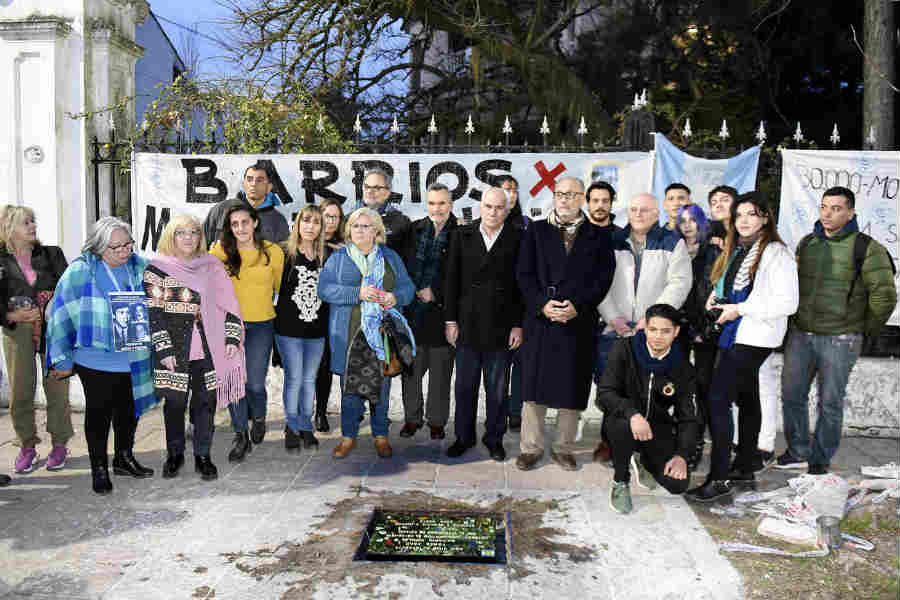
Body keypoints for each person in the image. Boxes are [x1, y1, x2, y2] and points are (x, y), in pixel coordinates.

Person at [686, 192, 798, 502]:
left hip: (754, 335)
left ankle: (719, 476)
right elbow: (731, 288)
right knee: (748, 397)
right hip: (736, 332)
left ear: (765, 217)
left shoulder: (777, 253)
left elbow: (788, 302)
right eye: (739, 215)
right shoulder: (741, 250)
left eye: (751, 214)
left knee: (718, 398)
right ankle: (745, 466)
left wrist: (740, 309)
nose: (744, 220)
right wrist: (716, 298)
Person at [778, 186, 897, 475]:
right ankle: (797, 451)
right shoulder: (807, 243)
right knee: (792, 394)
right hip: (802, 335)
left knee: (830, 402)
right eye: (824, 207)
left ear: (851, 212)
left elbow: (884, 297)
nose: (828, 214)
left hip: (841, 339)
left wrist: (861, 329)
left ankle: (820, 459)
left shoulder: (867, 248)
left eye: (836, 208)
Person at [45, 217, 156, 494]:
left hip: (134, 355)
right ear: (97, 248)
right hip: (95, 358)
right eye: (115, 247)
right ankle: (99, 467)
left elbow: (164, 297)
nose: (123, 251)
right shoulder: (81, 271)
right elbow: (59, 314)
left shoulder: (139, 266)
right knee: (99, 413)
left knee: (129, 412)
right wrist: (62, 358)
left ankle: (123, 457)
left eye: (127, 244)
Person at [515, 176, 616, 471]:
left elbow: (603, 279)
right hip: (541, 320)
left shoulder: (598, 236)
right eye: (560, 194)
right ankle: (531, 448)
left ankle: (563, 448)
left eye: (572, 195)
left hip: (577, 322)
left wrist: (578, 306)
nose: (565, 200)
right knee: (533, 387)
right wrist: (542, 305)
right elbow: (523, 274)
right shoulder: (535, 231)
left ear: (582, 198)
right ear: (554, 196)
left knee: (571, 388)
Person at [144, 215, 245, 481]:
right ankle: (174, 454)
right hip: (174, 350)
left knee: (205, 405)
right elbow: (154, 314)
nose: (188, 238)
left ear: (201, 237)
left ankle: (203, 456)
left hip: (209, 348)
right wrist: (163, 350)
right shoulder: (157, 269)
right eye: (181, 232)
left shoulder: (212, 266)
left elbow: (230, 305)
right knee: (175, 404)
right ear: (171, 236)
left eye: (194, 232)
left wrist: (232, 339)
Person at [593, 193, 692, 462]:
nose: (638, 214)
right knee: (611, 388)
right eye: (634, 209)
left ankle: (645, 446)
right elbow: (598, 281)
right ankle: (609, 442)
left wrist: (653, 319)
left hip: (651, 332)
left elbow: (680, 282)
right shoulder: (612, 241)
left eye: (645, 210)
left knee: (647, 389)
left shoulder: (672, 242)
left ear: (657, 213)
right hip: (615, 328)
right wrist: (612, 316)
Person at [319, 207, 415, 459]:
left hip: (382, 336)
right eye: (355, 226)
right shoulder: (338, 259)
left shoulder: (391, 257)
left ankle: (381, 436)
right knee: (350, 392)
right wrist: (357, 294)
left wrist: (396, 297)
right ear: (349, 230)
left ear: (377, 231)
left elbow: (408, 287)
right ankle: (348, 437)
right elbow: (325, 290)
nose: (360, 231)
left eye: (366, 226)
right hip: (349, 335)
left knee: (381, 389)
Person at [444, 187, 523, 461]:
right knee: (464, 387)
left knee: (498, 390)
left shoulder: (518, 238)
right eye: (489, 206)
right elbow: (451, 281)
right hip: (466, 325)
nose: (493, 212)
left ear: (508, 209)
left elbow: (521, 287)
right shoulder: (461, 235)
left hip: (501, 328)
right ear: (481, 207)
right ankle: (463, 438)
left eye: (499, 207)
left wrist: (518, 325)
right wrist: (450, 320)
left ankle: (494, 439)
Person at [597, 304, 700, 514]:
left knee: (677, 485)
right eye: (653, 329)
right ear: (645, 328)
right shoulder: (625, 349)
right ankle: (621, 481)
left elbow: (689, 417)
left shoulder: (682, 366)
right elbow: (605, 392)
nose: (658, 337)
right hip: (622, 422)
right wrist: (631, 413)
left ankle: (642, 458)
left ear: (676, 332)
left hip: (655, 428)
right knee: (623, 426)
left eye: (665, 331)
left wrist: (682, 455)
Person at [0, 206, 72, 474]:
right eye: (25, 222)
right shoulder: (1, 261)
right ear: (9, 228)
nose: (32, 226)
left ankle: (60, 443)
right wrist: (11, 314)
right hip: (16, 330)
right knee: (21, 390)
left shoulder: (51, 254)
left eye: (33, 221)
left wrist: (49, 307)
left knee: (57, 387)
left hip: (53, 329)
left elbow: (69, 288)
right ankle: (27, 446)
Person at [211, 204, 284, 461]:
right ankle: (240, 434)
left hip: (262, 324)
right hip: (228, 326)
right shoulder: (219, 252)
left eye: (244, 222)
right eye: (234, 224)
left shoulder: (273, 252)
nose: (240, 228)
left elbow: (279, 288)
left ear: (254, 222)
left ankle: (260, 417)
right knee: (234, 383)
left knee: (254, 383)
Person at [399, 183, 457, 440]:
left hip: (444, 316)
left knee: (440, 375)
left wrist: (437, 292)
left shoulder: (462, 233)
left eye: (442, 203)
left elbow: (464, 277)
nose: (437, 208)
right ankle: (412, 419)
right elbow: (396, 263)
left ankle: (436, 422)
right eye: (432, 203)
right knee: (410, 372)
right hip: (412, 315)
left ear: (451, 204)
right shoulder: (413, 230)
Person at [275, 205, 328, 452]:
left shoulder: (325, 256)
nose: (311, 226)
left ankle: (306, 426)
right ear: (297, 223)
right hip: (288, 330)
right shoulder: (284, 253)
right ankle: (292, 427)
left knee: (309, 379)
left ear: (321, 227)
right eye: (306, 220)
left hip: (316, 330)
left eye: (316, 222)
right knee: (294, 379)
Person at [675, 204, 718, 467]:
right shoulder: (675, 249)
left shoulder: (713, 251)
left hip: (704, 330)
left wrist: (705, 328)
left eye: (693, 220)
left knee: (701, 390)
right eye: (683, 220)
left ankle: (695, 445)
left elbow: (715, 292)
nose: (688, 225)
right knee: (677, 388)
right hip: (677, 327)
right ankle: (678, 441)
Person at [497, 175, 529, 432]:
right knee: (497, 365)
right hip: (493, 306)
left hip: (521, 304)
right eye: (506, 189)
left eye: (514, 190)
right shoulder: (481, 225)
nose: (511, 194)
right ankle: (497, 411)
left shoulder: (527, 226)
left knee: (519, 363)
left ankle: (515, 411)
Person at [313, 198, 346, 432]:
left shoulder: (345, 246)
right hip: (310, 311)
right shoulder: (308, 243)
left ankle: (326, 412)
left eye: (336, 217)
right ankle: (313, 412)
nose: (331, 221)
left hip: (335, 313)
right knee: (313, 366)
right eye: (327, 216)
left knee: (329, 364)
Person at [203, 162, 290, 248]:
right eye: (249, 179)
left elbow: (284, 256)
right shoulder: (222, 209)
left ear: (269, 187)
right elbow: (201, 243)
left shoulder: (278, 220)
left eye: (259, 180)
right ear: (244, 185)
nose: (253, 184)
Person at [359, 168, 411, 255]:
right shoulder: (348, 218)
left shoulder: (402, 222)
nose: (370, 191)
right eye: (367, 186)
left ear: (388, 192)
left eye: (376, 188)